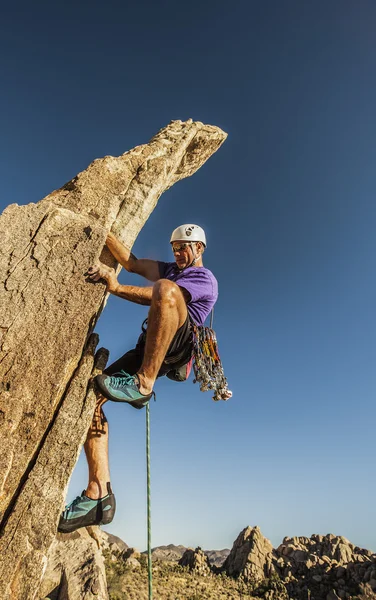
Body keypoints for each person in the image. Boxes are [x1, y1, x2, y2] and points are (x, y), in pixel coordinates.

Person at [58, 224, 218, 533]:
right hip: (150, 347)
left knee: (165, 289)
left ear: (200, 248)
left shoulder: (204, 279)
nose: (178, 252)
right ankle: (98, 493)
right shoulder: (170, 268)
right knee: (92, 398)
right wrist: (103, 230)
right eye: (174, 247)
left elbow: (162, 297)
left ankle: (144, 384)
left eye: (185, 247)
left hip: (178, 345)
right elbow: (132, 263)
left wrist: (116, 288)